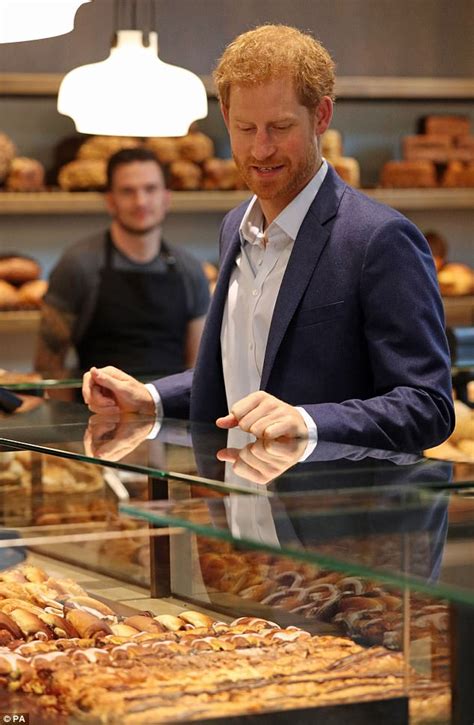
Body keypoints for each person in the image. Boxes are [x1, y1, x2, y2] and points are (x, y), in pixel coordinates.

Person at [83, 24, 454, 452]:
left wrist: (308, 420)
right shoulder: (233, 227)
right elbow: (245, 371)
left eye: (280, 127)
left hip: (333, 513)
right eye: (245, 128)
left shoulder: (380, 239)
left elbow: (428, 406)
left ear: (321, 116)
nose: (261, 150)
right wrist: (150, 398)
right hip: (239, 507)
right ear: (225, 117)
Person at [35, 147, 210, 379]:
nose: (140, 201)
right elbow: (49, 367)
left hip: (171, 411)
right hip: (97, 410)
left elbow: (197, 368)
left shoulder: (190, 270)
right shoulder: (78, 265)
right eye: (128, 191)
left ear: (166, 198)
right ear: (110, 201)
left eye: (150, 189)